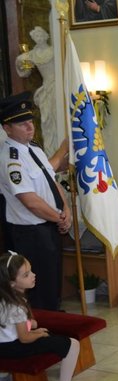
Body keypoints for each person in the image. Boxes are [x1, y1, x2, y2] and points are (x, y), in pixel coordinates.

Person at [0, 93, 71, 311]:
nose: (30, 127)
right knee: (38, 288)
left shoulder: (34, 149)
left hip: (48, 226)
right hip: (30, 233)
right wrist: (58, 217)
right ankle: (42, 324)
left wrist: (65, 209)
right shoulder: (11, 158)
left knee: (52, 282)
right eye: (22, 123)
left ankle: (54, 318)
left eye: (30, 121)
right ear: (7, 128)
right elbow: (30, 201)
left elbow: (51, 180)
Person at [0, 251, 86, 381]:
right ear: (12, 283)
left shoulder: (5, 298)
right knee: (72, 344)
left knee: (49, 334)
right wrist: (38, 334)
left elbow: (10, 329)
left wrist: (33, 328)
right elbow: (24, 338)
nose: (33, 275)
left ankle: (4, 377)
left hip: (4, 345)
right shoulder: (16, 306)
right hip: (13, 348)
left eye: (31, 270)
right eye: (26, 275)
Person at [15, 26, 58, 156]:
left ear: (46, 36)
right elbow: (25, 70)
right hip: (46, 89)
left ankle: (60, 149)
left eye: (40, 35)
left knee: (57, 117)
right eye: (35, 36)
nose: (38, 38)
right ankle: (51, 152)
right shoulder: (33, 55)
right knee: (47, 120)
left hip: (56, 88)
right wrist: (21, 63)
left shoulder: (54, 51)